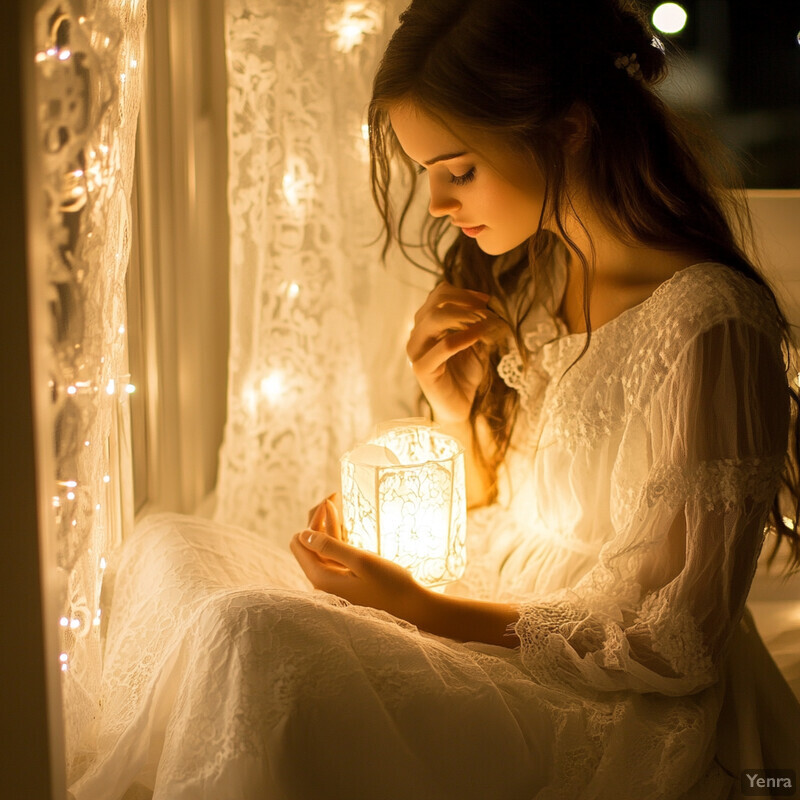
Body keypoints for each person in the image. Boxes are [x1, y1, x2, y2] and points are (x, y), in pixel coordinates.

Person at [72, 1, 800, 798]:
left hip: (620, 699)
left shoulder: (712, 324)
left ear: (567, 132)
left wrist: (418, 607)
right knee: (171, 548)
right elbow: (515, 501)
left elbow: (676, 640)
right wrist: (449, 414)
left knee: (251, 635)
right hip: (497, 597)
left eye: (460, 169)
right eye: (428, 176)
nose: (440, 206)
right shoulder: (537, 273)